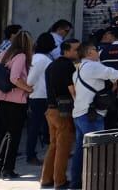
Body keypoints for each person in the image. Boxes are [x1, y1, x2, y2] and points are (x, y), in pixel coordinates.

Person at [70, 42, 118, 190]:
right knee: (96, 150)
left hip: (79, 114)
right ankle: (95, 184)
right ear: (89, 52)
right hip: (92, 115)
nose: (98, 52)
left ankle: (76, 184)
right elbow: (115, 74)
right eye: (95, 49)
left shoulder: (77, 69)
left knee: (80, 152)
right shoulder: (93, 66)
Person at [0, 29, 34, 180]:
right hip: (15, 102)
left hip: (0, 100)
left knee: (2, 135)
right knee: (14, 136)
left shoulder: (2, 55)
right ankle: (8, 169)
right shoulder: (21, 56)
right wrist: (28, 88)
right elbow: (14, 78)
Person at [41, 39, 78, 190]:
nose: (78, 52)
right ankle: (60, 181)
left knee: (54, 145)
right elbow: (71, 88)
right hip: (63, 110)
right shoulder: (67, 65)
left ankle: (46, 179)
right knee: (63, 147)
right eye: (76, 49)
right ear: (67, 51)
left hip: (50, 109)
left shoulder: (51, 65)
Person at [24, 32, 56, 166]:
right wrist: (28, 89)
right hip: (39, 96)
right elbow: (30, 80)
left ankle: (51, 152)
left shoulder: (39, 58)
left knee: (43, 127)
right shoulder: (41, 59)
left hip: (40, 96)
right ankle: (30, 155)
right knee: (35, 127)